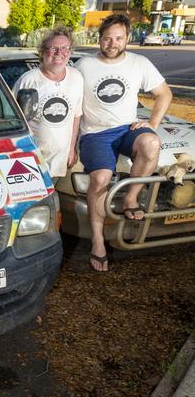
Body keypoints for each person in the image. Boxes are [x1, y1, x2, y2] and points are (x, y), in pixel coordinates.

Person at [75, 14, 172, 271]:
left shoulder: (140, 63)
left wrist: (152, 123)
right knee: (101, 179)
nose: (112, 43)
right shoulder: (84, 65)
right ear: (99, 39)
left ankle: (131, 198)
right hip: (94, 133)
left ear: (127, 38)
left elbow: (164, 93)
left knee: (151, 143)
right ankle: (98, 241)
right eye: (107, 38)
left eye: (118, 38)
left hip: (127, 129)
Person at [12, 26, 83, 180]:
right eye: (53, 48)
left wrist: (72, 148)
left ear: (70, 52)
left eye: (65, 48)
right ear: (43, 52)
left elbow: (76, 116)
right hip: (30, 158)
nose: (59, 53)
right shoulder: (28, 80)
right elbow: (14, 120)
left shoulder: (76, 77)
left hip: (59, 160)